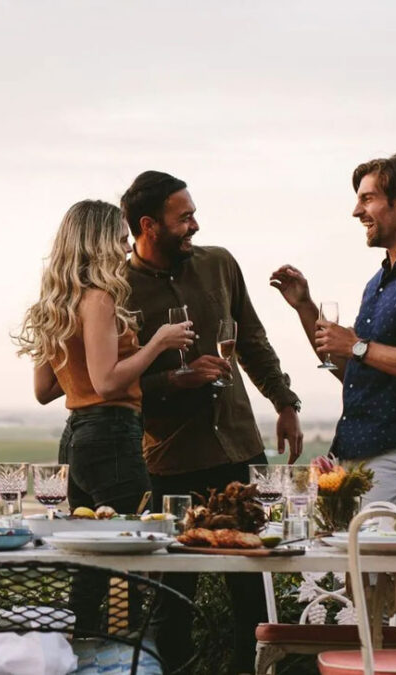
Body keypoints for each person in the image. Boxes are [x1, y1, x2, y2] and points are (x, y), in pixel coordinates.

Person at [121, 170, 302, 673]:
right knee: (171, 601)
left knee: (254, 598)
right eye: (184, 218)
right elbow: (112, 383)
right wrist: (172, 382)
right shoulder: (117, 290)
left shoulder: (219, 264)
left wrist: (284, 403)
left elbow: (253, 342)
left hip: (240, 453)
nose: (195, 225)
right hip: (170, 463)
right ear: (148, 225)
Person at [271, 153, 396, 514]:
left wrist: (358, 346)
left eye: (367, 198)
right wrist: (304, 307)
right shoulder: (380, 281)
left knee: (381, 565)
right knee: (356, 569)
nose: (356, 212)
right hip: (358, 455)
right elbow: (356, 373)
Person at [15, 199, 194, 514]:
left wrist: (83, 366)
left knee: (90, 548)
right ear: (99, 244)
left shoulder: (55, 305)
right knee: (133, 540)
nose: (127, 248)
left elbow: (44, 390)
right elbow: (107, 384)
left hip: (76, 440)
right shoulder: (100, 298)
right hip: (112, 437)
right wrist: (158, 342)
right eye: (122, 239)